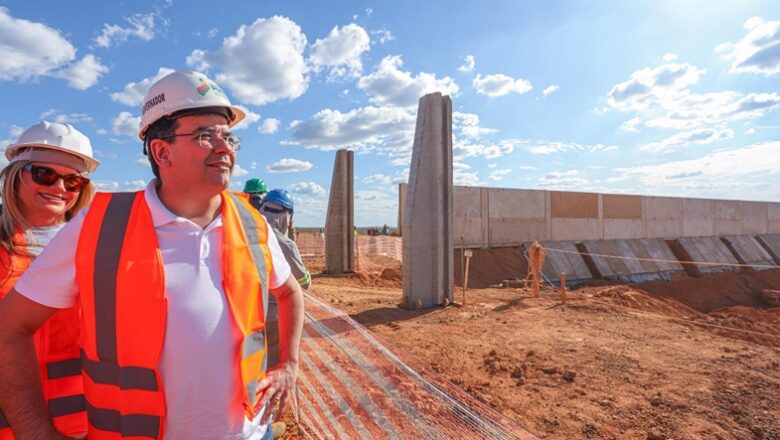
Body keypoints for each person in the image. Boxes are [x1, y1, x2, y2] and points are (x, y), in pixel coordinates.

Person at [0, 71, 304, 440]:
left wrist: (288, 363)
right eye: (206, 136)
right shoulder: (97, 228)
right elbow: (9, 328)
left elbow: (290, 292)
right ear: (161, 151)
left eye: (228, 137)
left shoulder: (252, 224)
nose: (226, 149)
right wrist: (36, 433)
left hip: (252, 433)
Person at [0, 121, 99, 439]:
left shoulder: (99, 247)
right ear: (15, 175)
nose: (59, 188)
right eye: (44, 174)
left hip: (85, 424)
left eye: (73, 181)